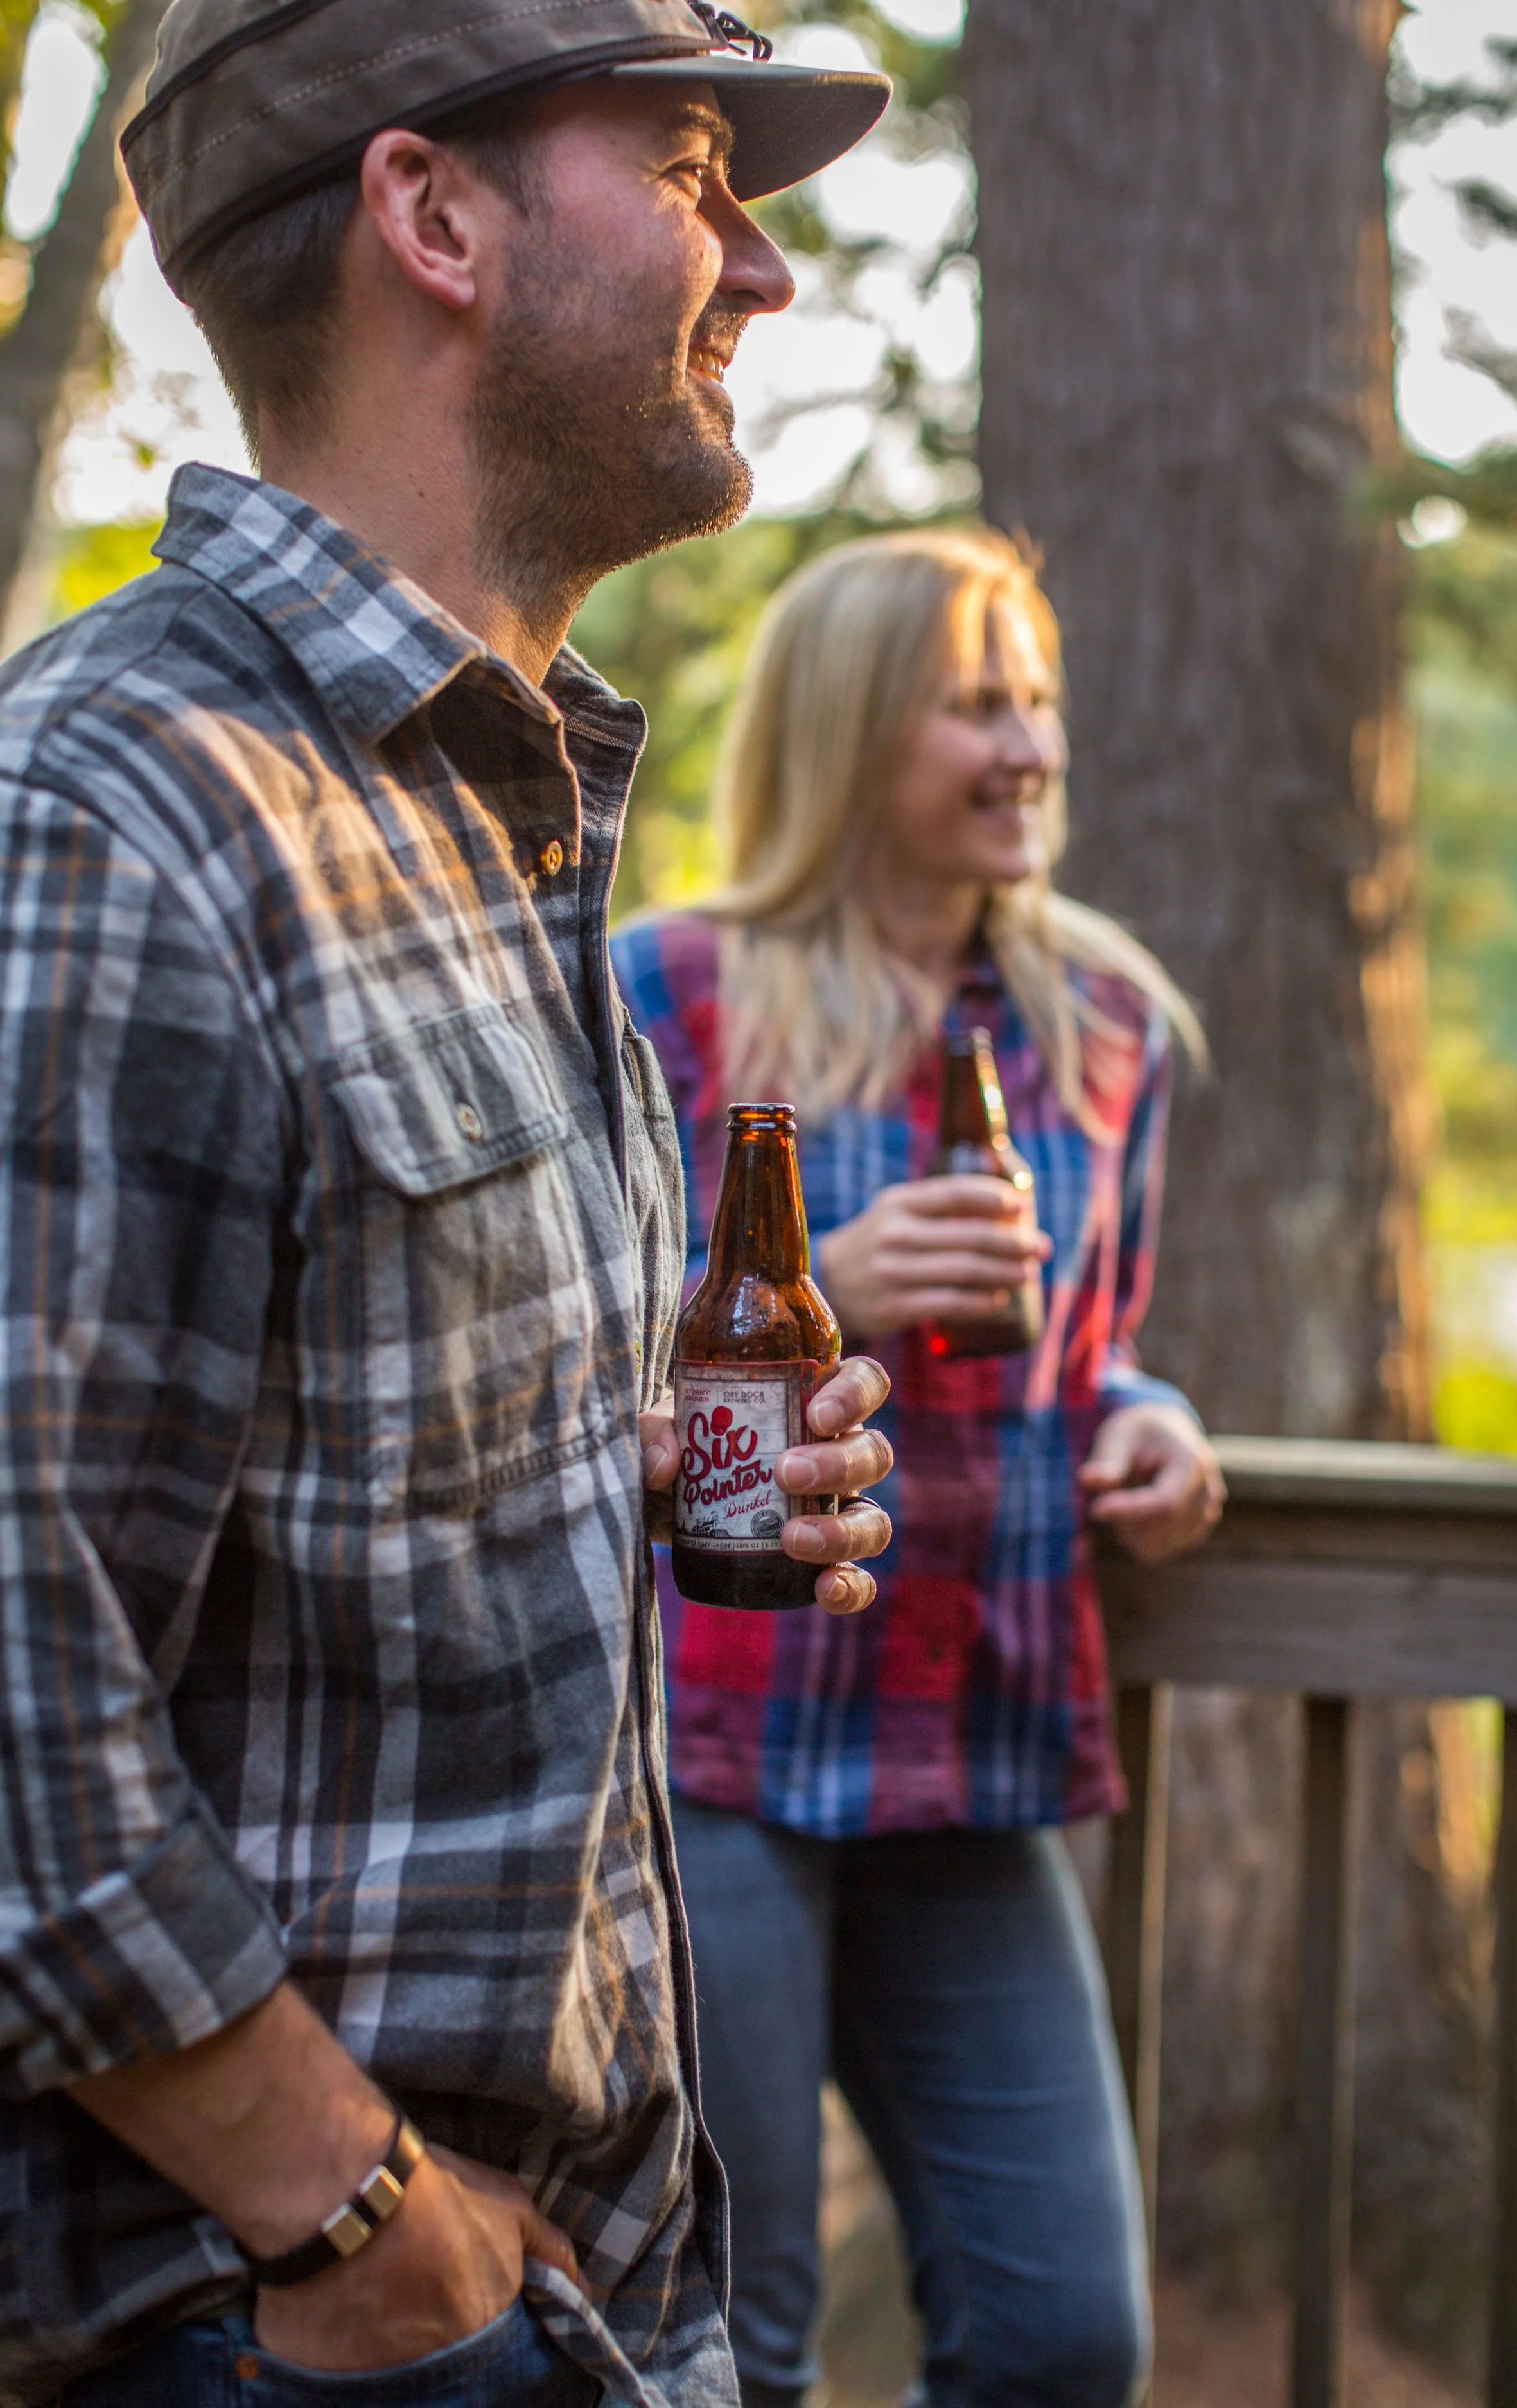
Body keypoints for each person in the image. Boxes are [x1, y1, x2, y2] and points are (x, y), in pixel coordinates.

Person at [0, 7, 899, 2405]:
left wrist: (638, 1484)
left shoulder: (480, 817)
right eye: (701, 169)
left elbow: (280, 1513)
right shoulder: (123, 807)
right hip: (291, 2324)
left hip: (571, 2291)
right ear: (435, 219)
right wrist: (366, 2226)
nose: (763, 269)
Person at [611, 527, 1227, 2408]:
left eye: (1033, 693)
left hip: (976, 1739)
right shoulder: (670, 992)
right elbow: (570, 1362)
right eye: (977, 700)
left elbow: (1085, 1326)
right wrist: (831, 1294)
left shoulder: (1102, 1022)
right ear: (853, 728)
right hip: (714, 1739)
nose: (1028, 739)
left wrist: (1150, 1414)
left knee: (1059, 2332)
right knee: (744, 2334)